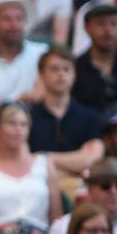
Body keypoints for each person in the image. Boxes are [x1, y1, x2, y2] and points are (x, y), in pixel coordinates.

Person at [0, 102, 62, 234]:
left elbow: (56, 220)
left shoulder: (45, 165)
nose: (18, 130)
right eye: (11, 124)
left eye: (24, 125)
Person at [27, 45, 104, 180]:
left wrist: (44, 157)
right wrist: (76, 162)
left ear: (74, 74)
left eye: (66, 69)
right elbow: (26, 162)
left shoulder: (90, 117)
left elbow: (91, 159)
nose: (61, 74)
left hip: (81, 191)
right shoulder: (27, 118)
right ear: (41, 74)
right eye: (54, 69)